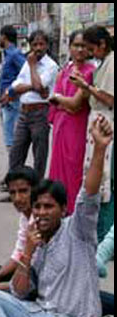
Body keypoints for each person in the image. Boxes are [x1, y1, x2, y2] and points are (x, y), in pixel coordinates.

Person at [0, 115, 113, 317]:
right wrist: (28, 252)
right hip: (39, 310)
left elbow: (90, 194)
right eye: (37, 207)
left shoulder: (78, 229)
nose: (41, 213)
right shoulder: (34, 238)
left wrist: (99, 148)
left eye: (48, 206)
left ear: (63, 210)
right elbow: (19, 292)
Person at [71, 25, 114, 242]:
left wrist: (86, 87)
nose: (88, 52)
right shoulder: (103, 63)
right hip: (99, 120)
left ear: (102, 45)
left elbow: (110, 99)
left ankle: (106, 234)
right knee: (96, 174)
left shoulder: (112, 63)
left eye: (90, 48)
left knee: (105, 177)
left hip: (107, 122)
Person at [48, 30, 96, 215]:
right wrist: (62, 102)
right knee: (58, 168)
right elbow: (62, 101)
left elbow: (75, 104)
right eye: (76, 45)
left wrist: (59, 100)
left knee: (74, 167)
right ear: (69, 47)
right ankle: (57, 209)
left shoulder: (90, 72)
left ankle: (73, 213)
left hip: (77, 127)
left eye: (84, 46)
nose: (80, 49)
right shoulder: (65, 71)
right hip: (61, 127)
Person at [7, 30, 59, 180]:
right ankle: (15, 186)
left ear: (47, 45)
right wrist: (34, 87)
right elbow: (16, 86)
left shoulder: (50, 65)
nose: (38, 47)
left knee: (39, 154)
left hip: (40, 112)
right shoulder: (27, 62)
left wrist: (32, 67)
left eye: (41, 44)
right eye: (34, 44)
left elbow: (39, 85)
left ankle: (37, 189)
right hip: (24, 113)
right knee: (16, 152)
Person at [0, 167, 40, 290]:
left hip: (37, 277)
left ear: (35, 191)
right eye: (13, 193)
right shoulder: (25, 217)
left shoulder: (40, 220)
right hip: (26, 266)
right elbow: (18, 254)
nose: (17, 198)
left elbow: (33, 271)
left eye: (23, 191)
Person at [0, 26, 26, 155]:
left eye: (0, 36)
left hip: (13, 100)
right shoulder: (7, 55)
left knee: (13, 139)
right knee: (8, 137)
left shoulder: (15, 54)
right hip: (5, 101)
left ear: (4, 36)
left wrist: (11, 92)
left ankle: (15, 168)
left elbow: (26, 74)